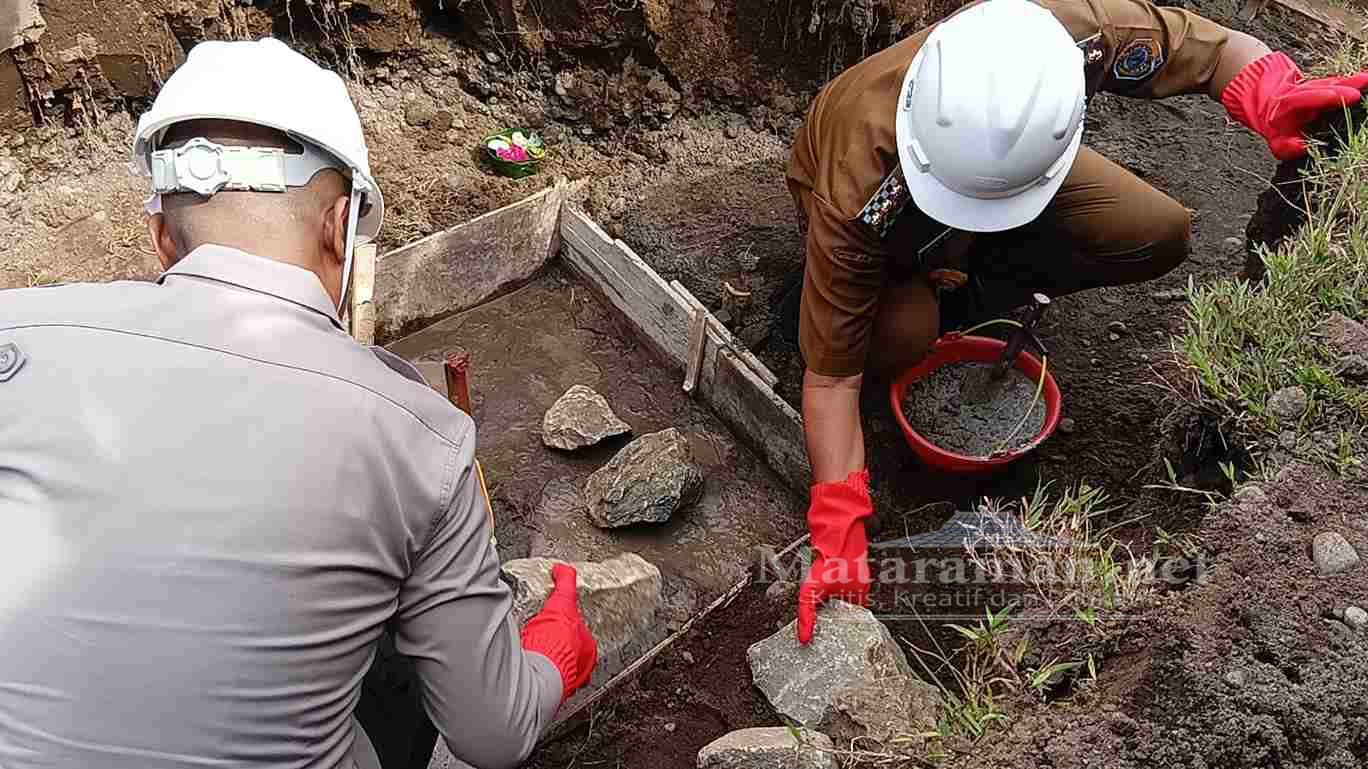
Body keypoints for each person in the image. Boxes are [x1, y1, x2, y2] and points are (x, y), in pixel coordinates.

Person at [0, 38, 596, 769]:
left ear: (161, 236)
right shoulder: (420, 438)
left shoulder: (16, 331)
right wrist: (549, 660)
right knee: (400, 646)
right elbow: (493, 735)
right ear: (339, 225)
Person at [786, 0, 1368, 643]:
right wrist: (839, 522)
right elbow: (831, 383)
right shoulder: (854, 185)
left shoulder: (1063, 42)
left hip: (1011, 174)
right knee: (905, 334)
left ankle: (972, 280)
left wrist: (1273, 89)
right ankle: (886, 289)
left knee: (1155, 232)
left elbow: (1212, 47)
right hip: (892, 202)